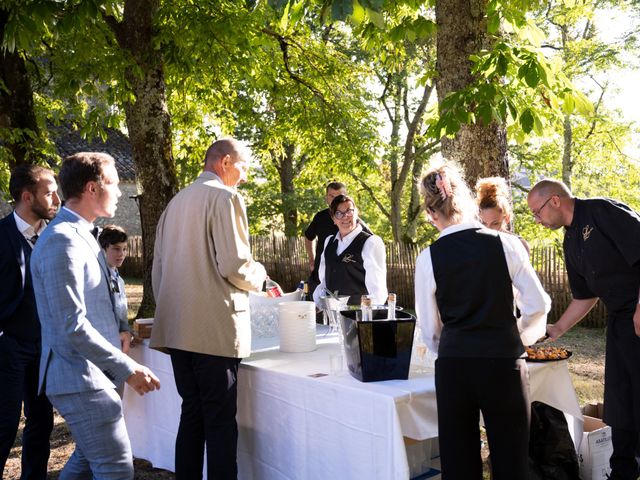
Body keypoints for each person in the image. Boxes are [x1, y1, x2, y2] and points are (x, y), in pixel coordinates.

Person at [415, 162, 550, 480]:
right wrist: (516, 335)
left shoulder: (428, 258)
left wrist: (447, 348)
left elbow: (430, 328)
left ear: (431, 213)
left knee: (459, 464)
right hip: (503, 362)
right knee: (511, 461)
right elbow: (538, 304)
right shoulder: (507, 244)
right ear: (465, 202)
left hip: (454, 367)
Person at [30, 152, 160, 480]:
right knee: (115, 469)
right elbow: (71, 325)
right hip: (79, 377)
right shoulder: (63, 241)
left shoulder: (82, 234)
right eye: (114, 184)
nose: (119, 192)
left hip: (89, 375)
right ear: (92, 188)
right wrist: (127, 367)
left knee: (87, 461)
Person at [151, 138, 267, 480]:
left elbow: (158, 271)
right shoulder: (225, 197)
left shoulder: (175, 203)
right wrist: (260, 275)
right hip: (214, 329)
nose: (244, 176)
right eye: (244, 167)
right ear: (226, 162)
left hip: (176, 327)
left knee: (192, 415)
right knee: (218, 423)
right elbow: (234, 264)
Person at [527, 179, 640, 480]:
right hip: (619, 322)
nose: (537, 221)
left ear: (554, 201)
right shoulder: (569, 241)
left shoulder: (602, 212)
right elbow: (585, 296)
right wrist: (557, 327)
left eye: (536, 213)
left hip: (639, 310)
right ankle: (623, 472)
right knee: (619, 402)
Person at [0, 164, 59, 480]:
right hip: (8, 345)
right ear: (27, 196)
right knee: (5, 423)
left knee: (42, 421)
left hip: (44, 346)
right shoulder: (1, 235)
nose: (57, 199)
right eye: (49, 192)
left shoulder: (53, 236)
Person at [312, 194, 387, 306]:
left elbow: (378, 292)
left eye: (349, 211)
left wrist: (364, 317)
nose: (345, 216)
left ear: (356, 213)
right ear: (333, 219)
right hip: (332, 315)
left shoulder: (371, 242)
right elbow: (324, 284)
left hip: (358, 316)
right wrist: (317, 304)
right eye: (339, 213)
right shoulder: (329, 241)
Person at [304, 182, 372, 295]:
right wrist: (312, 259)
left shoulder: (353, 221)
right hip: (319, 275)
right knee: (313, 306)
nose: (336, 199)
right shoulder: (320, 217)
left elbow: (370, 242)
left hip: (345, 284)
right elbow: (308, 236)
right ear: (326, 198)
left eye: (340, 195)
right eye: (332, 196)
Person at [475, 176, 530, 254]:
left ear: (507, 218)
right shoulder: (473, 244)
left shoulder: (519, 245)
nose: (489, 229)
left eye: (495, 223)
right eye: (483, 223)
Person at [98, 225, 131, 354]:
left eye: (124, 249)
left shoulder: (119, 279)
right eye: (116, 249)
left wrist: (127, 330)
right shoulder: (100, 278)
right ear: (104, 249)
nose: (121, 254)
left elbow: (121, 311)